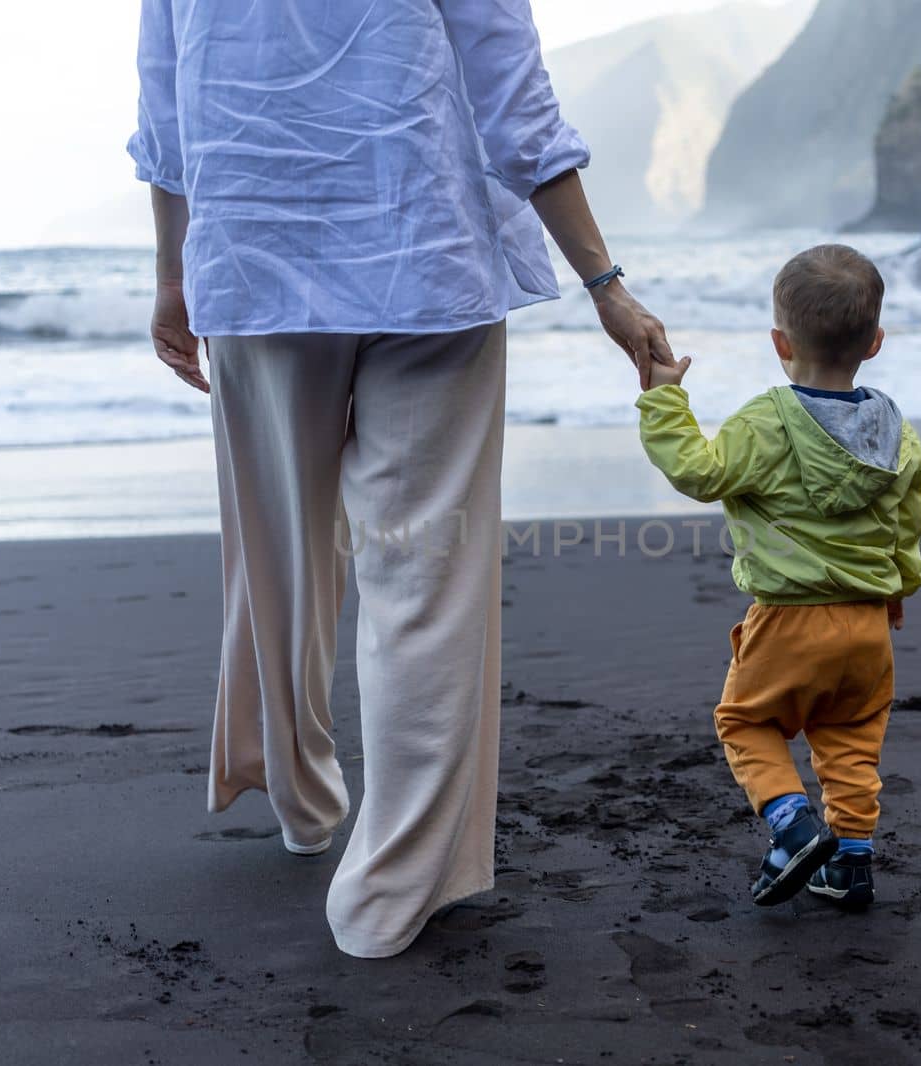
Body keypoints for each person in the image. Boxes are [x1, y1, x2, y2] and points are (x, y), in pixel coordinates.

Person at [128, 0, 673, 958]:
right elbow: (514, 97)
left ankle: (301, 802)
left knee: (283, 555)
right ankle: (389, 893)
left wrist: (172, 271)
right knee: (423, 579)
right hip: (424, 251)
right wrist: (605, 284)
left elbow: (167, 99)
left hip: (256, 255)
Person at [636, 244, 921, 909]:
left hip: (790, 618)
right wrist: (897, 586)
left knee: (745, 722)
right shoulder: (896, 434)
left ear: (779, 342)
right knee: (852, 739)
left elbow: (700, 473)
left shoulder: (768, 421)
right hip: (867, 624)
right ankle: (851, 863)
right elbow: (909, 517)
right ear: (876, 341)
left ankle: (792, 824)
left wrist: (663, 402)